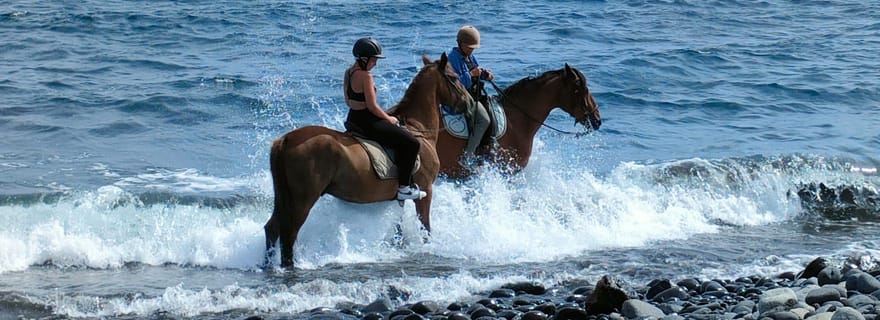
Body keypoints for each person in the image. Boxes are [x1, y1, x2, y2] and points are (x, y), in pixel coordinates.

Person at [344, 37, 426, 201]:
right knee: (412, 143)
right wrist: (389, 118)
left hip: (353, 118)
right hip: (368, 121)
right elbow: (373, 106)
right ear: (364, 58)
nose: (375, 63)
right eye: (374, 59)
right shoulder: (366, 76)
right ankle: (404, 188)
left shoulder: (349, 72)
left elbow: (348, 100)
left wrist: (362, 107)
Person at [447, 25, 495, 165]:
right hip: (460, 97)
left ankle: (487, 143)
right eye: (470, 47)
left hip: (472, 94)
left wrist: (486, 75)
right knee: (484, 119)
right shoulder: (452, 59)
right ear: (460, 44)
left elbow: (476, 72)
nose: (472, 50)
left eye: (473, 48)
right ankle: (467, 156)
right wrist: (471, 75)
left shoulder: (469, 57)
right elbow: (453, 84)